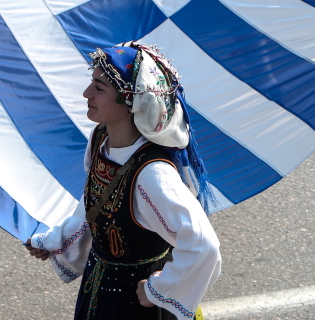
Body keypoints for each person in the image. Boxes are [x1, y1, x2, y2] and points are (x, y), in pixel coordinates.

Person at [25, 43, 220, 319]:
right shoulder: (101, 139)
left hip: (137, 306)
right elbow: (95, 205)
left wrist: (158, 289)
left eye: (99, 88)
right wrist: (58, 242)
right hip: (99, 289)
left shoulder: (152, 174)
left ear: (131, 101)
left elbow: (203, 244)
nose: (86, 94)